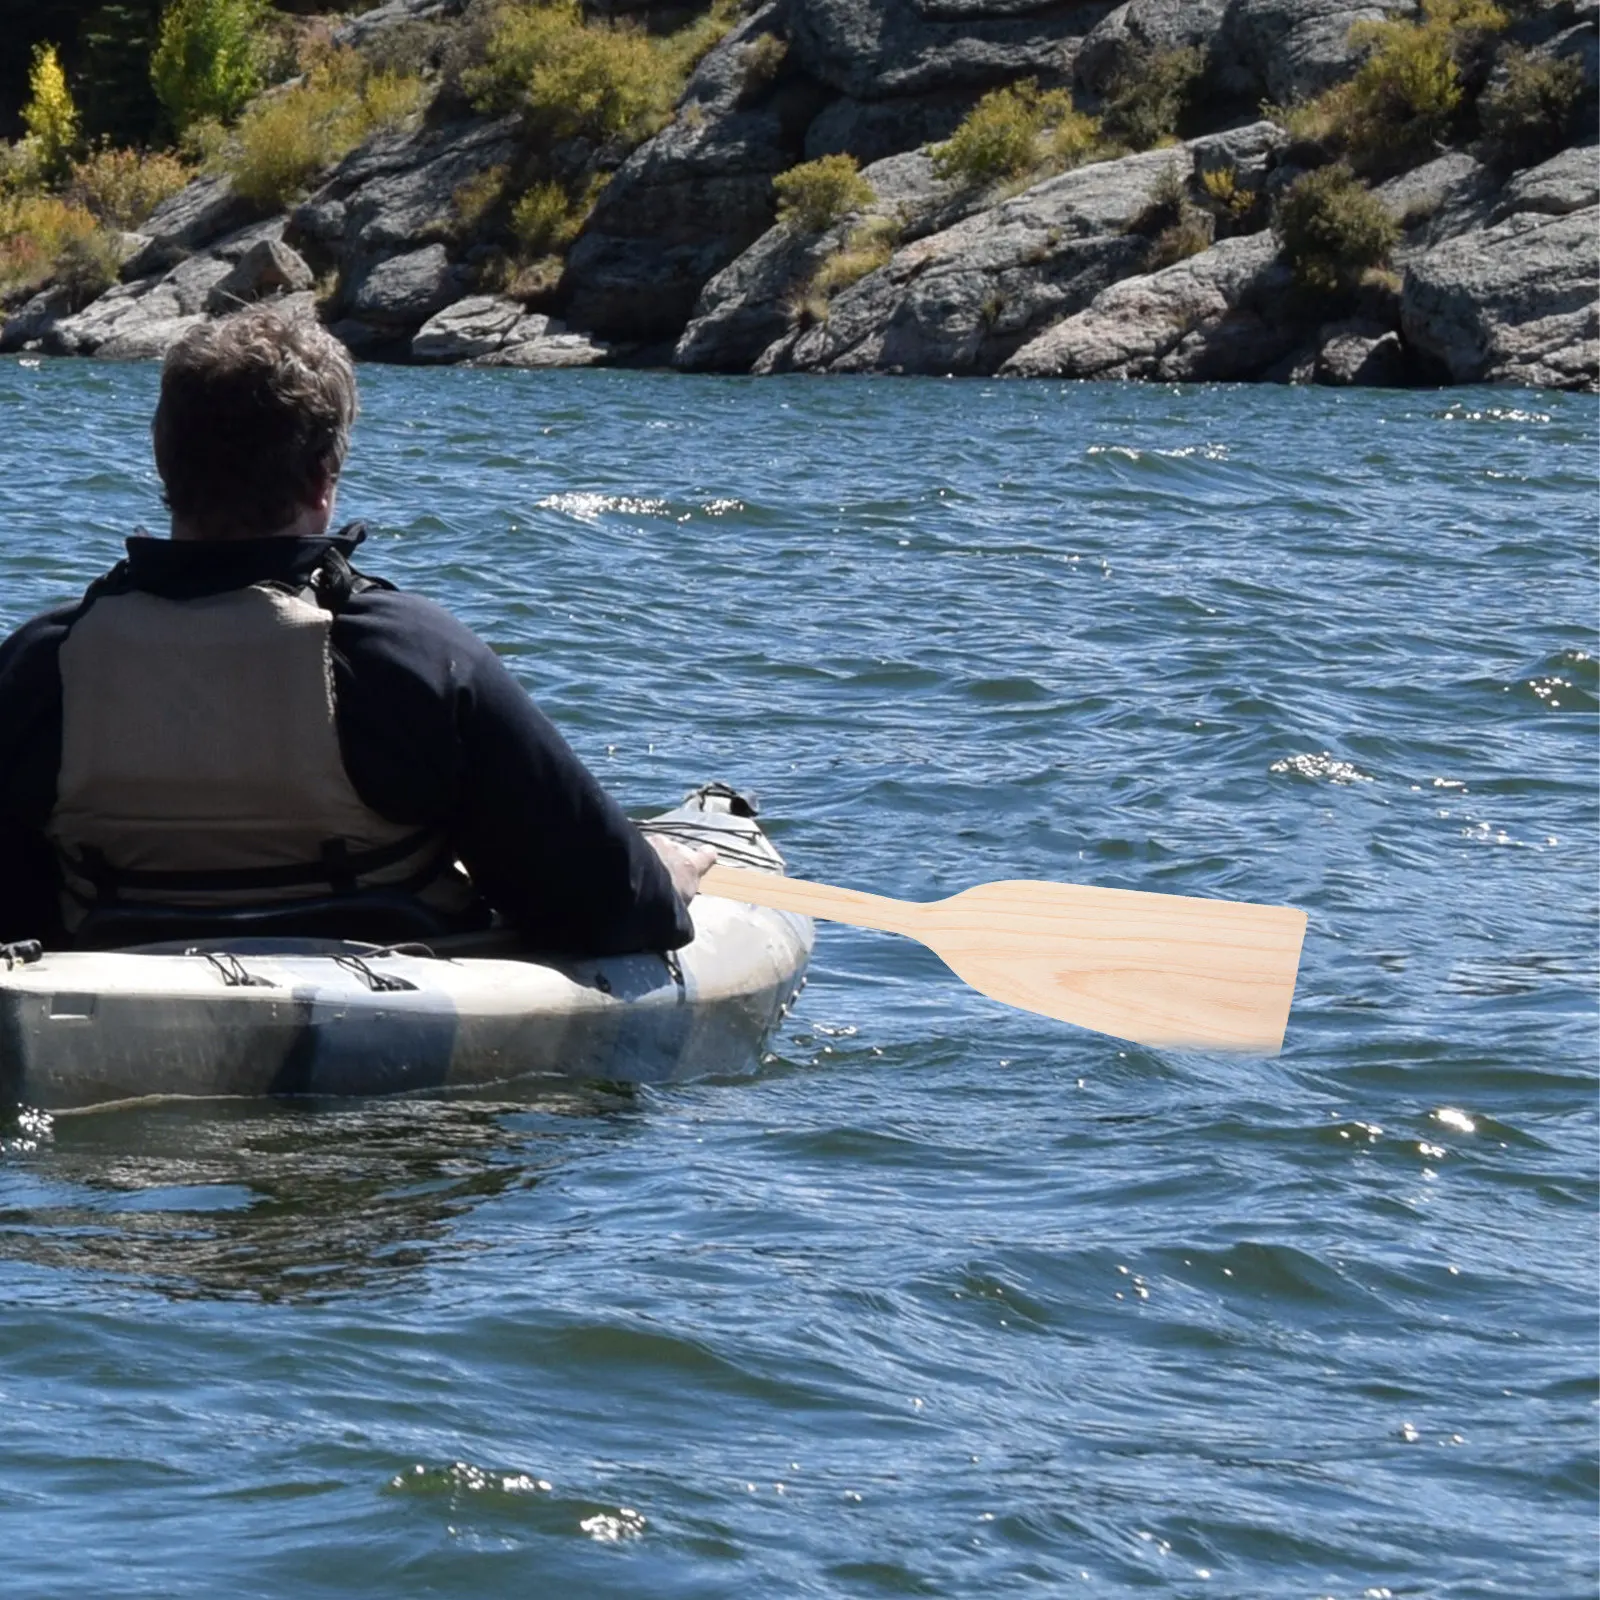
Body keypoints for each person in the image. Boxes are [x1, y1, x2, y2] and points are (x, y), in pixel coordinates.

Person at [0, 306, 714, 950]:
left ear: (163, 456)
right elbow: (616, 908)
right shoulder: (408, 658)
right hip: (389, 1054)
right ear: (323, 476)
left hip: (115, 1013)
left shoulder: (41, 667)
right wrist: (669, 870)